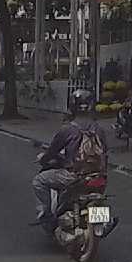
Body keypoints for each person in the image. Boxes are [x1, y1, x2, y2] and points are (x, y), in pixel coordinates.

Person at [31, 88, 108, 226]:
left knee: (39, 181)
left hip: (73, 176)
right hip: (98, 177)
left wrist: (43, 159)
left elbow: (52, 151)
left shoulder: (67, 129)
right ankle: (100, 223)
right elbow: (105, 152)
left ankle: (46, 216)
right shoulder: (99, 129)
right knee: (99, 197)